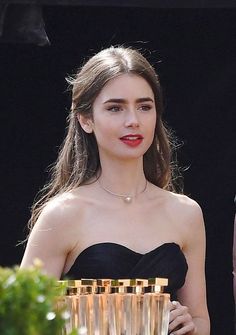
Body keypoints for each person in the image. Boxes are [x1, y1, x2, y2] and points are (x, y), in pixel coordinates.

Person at [21, 46, 210, 335]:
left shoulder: (186, 213)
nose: (133, 120)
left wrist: (190, 325)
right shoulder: (62, 215)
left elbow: (200, 319)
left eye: (144, 106)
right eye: (115, 107)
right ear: (86, 119)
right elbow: (20, 321)